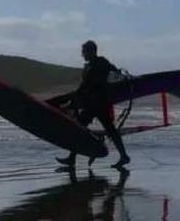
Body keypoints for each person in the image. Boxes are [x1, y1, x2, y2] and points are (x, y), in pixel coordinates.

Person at [54, 40, 131, 169]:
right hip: (97, 103)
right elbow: (114, 70)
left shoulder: (96, 65)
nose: (82, 55)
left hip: (96, 104)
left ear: (90, 52)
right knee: (108, 130)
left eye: (84, 52)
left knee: (79, 129)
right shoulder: (101, 62)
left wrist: (71, 103)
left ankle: (72, 158)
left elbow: (85, 86)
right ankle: (123, 156)